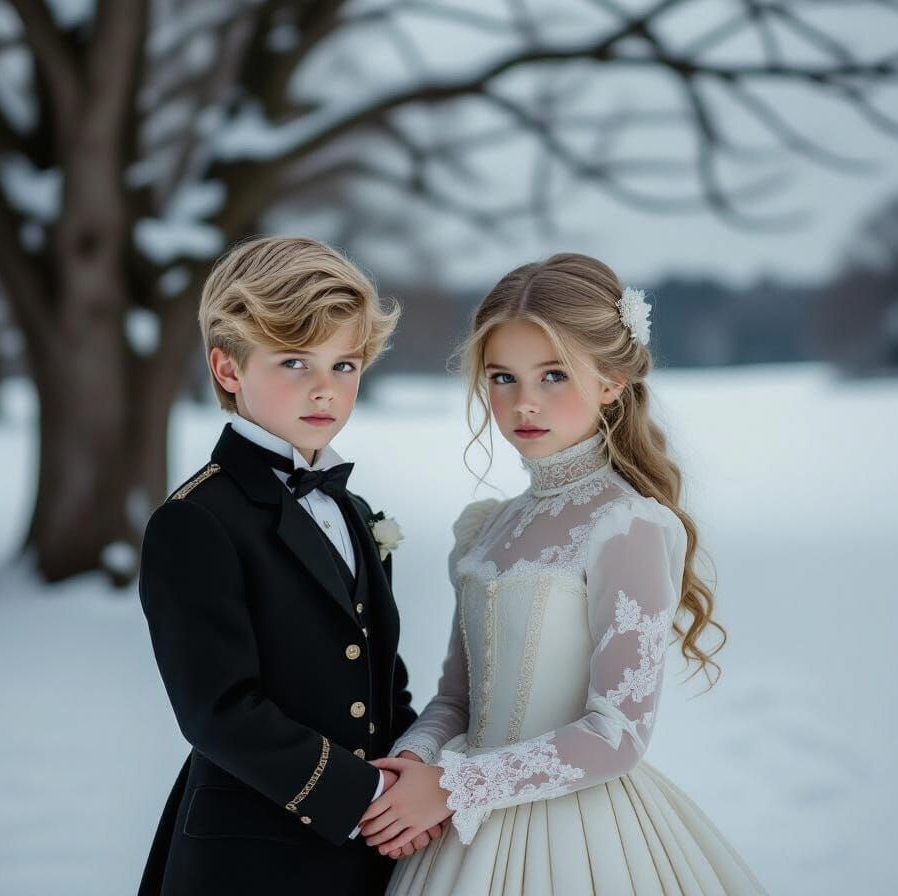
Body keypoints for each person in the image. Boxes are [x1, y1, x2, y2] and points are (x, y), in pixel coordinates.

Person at [360, 253, 767, 895]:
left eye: (553, 375)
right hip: (462, 835)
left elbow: (617, 735)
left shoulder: (627, 525)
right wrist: (415, 763)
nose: (525, 403)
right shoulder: (485, 527)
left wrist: (458, 786)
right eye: (502, 378)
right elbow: (457, 700)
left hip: (580, 830)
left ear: (611, 379)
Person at [137, 235, 436, 896]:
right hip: (253, 859)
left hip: (370, 853)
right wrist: (366, 798)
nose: (325, 390)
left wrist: (419, 770)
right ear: (227, 369)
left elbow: (383, 680)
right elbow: (220, 710)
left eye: (345, 365)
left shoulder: (355, 510)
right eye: (295, 362)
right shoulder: (195, 521)